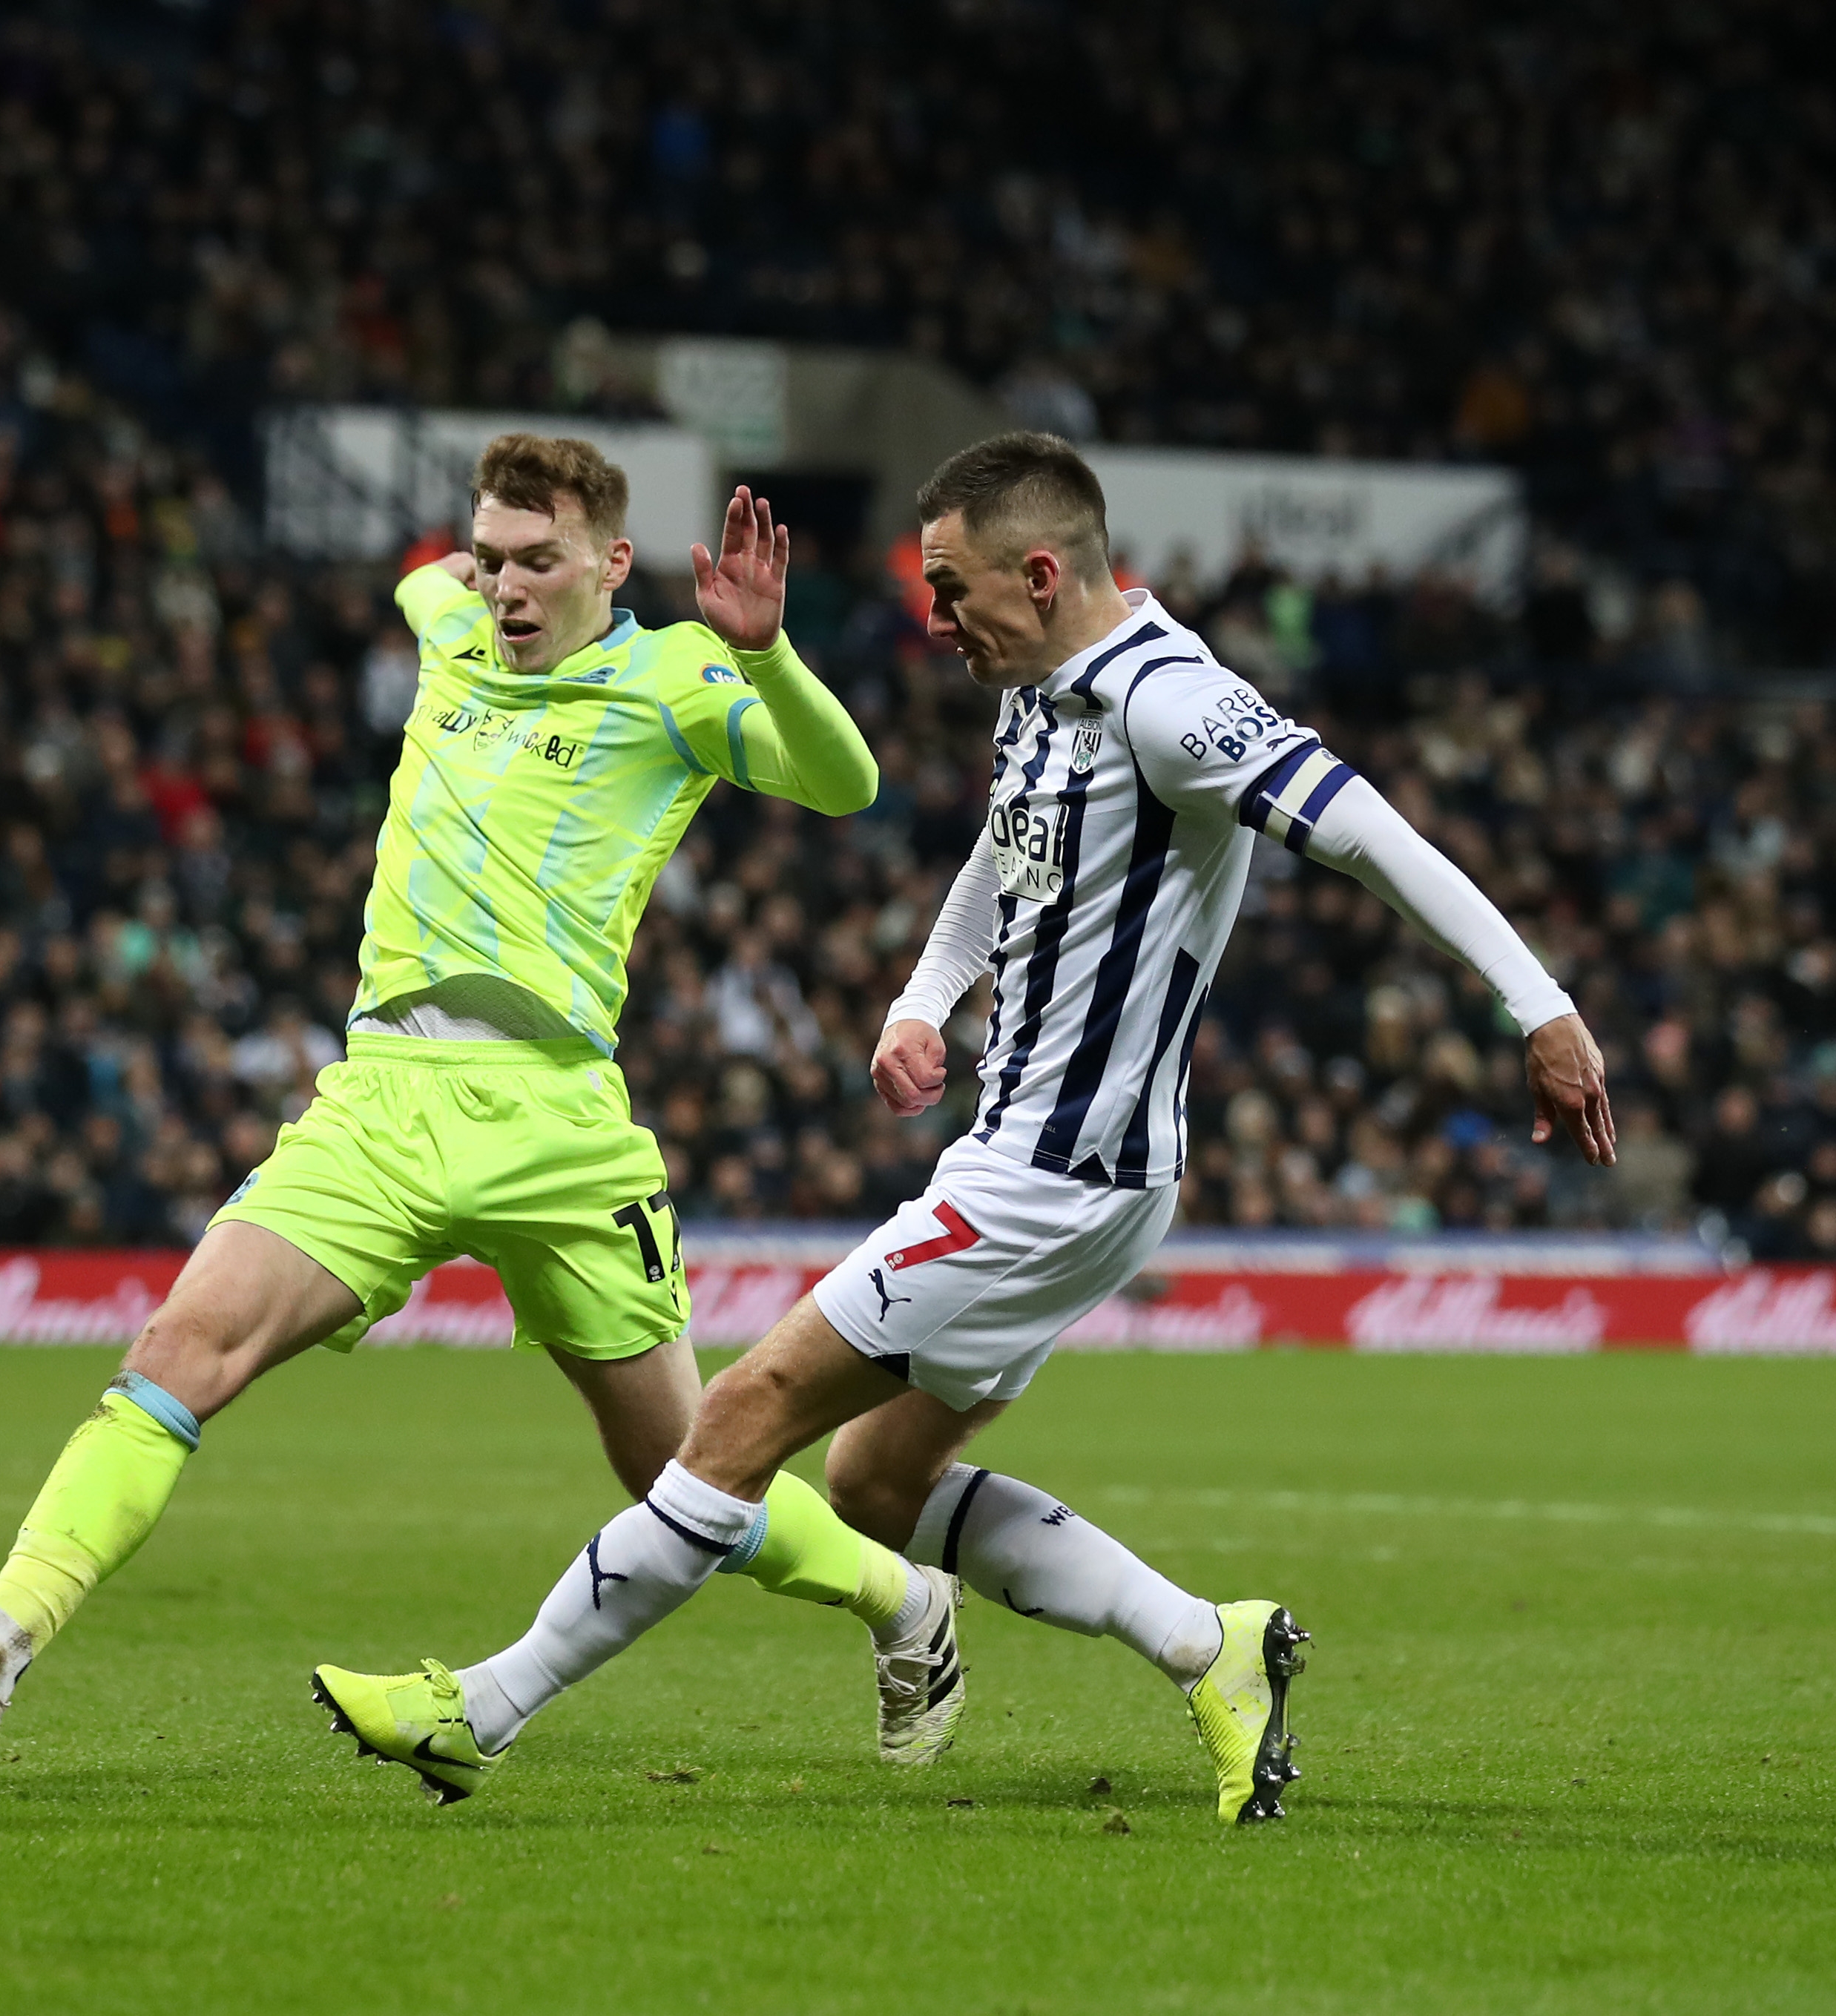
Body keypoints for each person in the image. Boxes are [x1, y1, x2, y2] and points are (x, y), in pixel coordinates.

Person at [315, 432, 1617, 1820]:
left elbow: (1370, 833)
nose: (934, 622)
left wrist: (1537, 1009)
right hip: (1057, 1162)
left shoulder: (1172, 704)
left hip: (1055, 1173)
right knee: (875, 1481)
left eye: (951, 591)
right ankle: (1210, 1645)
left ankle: (481, 1709)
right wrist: (926, 994)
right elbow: (1007, 849)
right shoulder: (1036, 684)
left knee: (743, 1409)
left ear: (1043, 573)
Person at [0, 436, 944, 1770]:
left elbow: (846, 781)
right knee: (182, 1350)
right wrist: (452, 568)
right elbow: (426, 581)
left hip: (556, 1116)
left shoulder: (676, 674)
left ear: (613, 565)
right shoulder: (450, 626)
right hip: (384, 1094)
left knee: (680, 1476)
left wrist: (762, 652)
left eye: (541, 561)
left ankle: (906, 1598)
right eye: (495, 558)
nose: (508, 587)